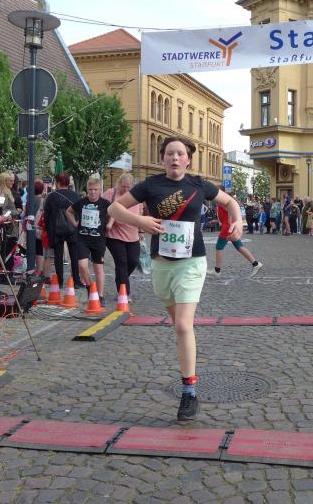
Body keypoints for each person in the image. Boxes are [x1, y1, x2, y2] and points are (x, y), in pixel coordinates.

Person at [108, 136, 242, 421]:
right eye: (170, 153)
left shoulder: (198, 185)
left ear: (188, 159)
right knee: (179, 327)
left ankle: (189, 392)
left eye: (180, 154)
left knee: (182, 325)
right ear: (163, 158)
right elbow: (114, 209)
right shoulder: (151, 185)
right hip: (162, 265)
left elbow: (231, 202)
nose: (175, 158)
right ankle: (187, 364)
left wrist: (238, 220)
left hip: (192, 263)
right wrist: (140, 221)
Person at [67, 177, 111, 306]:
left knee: (98, 268)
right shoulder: (81, 202)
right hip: (82, 239)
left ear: (100, 190)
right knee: (82, 266)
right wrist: (75, 223)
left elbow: (114, 212)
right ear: (87, 190)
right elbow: (69, 211)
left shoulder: (105, 203)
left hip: (98, 240)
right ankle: (90, 288)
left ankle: (100, 296)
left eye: (95, 189)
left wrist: (110, 224)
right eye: (90, 189)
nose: (92, 192)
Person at [103, 173, 143, 301]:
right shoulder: (111, 193)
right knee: (121, 262)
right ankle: (124, 293)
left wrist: (141, 231)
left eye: (128, 187)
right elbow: (101, 208)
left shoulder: (136, 197)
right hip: (114, 235)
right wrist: (108, 220)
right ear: (119, 184)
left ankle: (121, 278)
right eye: (123, 186)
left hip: (132, 235)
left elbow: (140, 215)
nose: (125, 189)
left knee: (133, 261)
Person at [211, 186, 263, 277]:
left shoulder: (223, 201)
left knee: (219, 247)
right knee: (239, 247)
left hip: (227, 228)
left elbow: (230, 209)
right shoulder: (222, 201)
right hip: (229, 227)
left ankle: (217, 270)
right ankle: (255, 264)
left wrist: (229, 220)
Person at [44, 172, 83, 289]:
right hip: (73, 228)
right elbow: (80, 213)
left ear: (57, 182)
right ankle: (76, 280)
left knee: (58, 257)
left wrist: (49, 230)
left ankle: (60, 281)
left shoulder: (51, 197)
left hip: (56, 230)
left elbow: (47, 216)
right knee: (74, 256)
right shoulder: (76, 196)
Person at [0, 171, 20, 273]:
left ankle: (6, 274)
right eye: (10, 180)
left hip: (8, 228)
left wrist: (8, 214)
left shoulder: (8, 193)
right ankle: (4, 273)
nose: (13, 182)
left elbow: (13, 210)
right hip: (1, 227)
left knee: (7, 252)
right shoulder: (0, 192)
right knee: (2, 252)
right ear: (4, 181)